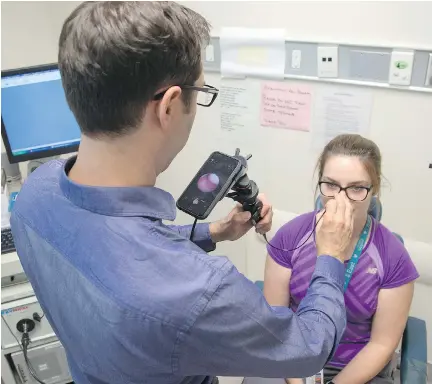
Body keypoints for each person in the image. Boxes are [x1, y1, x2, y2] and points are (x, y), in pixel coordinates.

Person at [11, 2, 354, 384]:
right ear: (171, 105)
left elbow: (120, 248)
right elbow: (307, 349)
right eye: (201, 91)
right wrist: (332, 256)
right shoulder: (198, 291)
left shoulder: (32, 198)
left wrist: (213, 233)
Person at [264, 134, 419, 384]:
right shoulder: (291, 238)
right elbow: (276, 321)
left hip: (356, 368)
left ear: (374, 190)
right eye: (331, 185)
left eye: (357, 188)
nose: (341, 198)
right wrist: (296, 380)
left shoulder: (392, 256)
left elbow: (382, 344)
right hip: (292, 356)